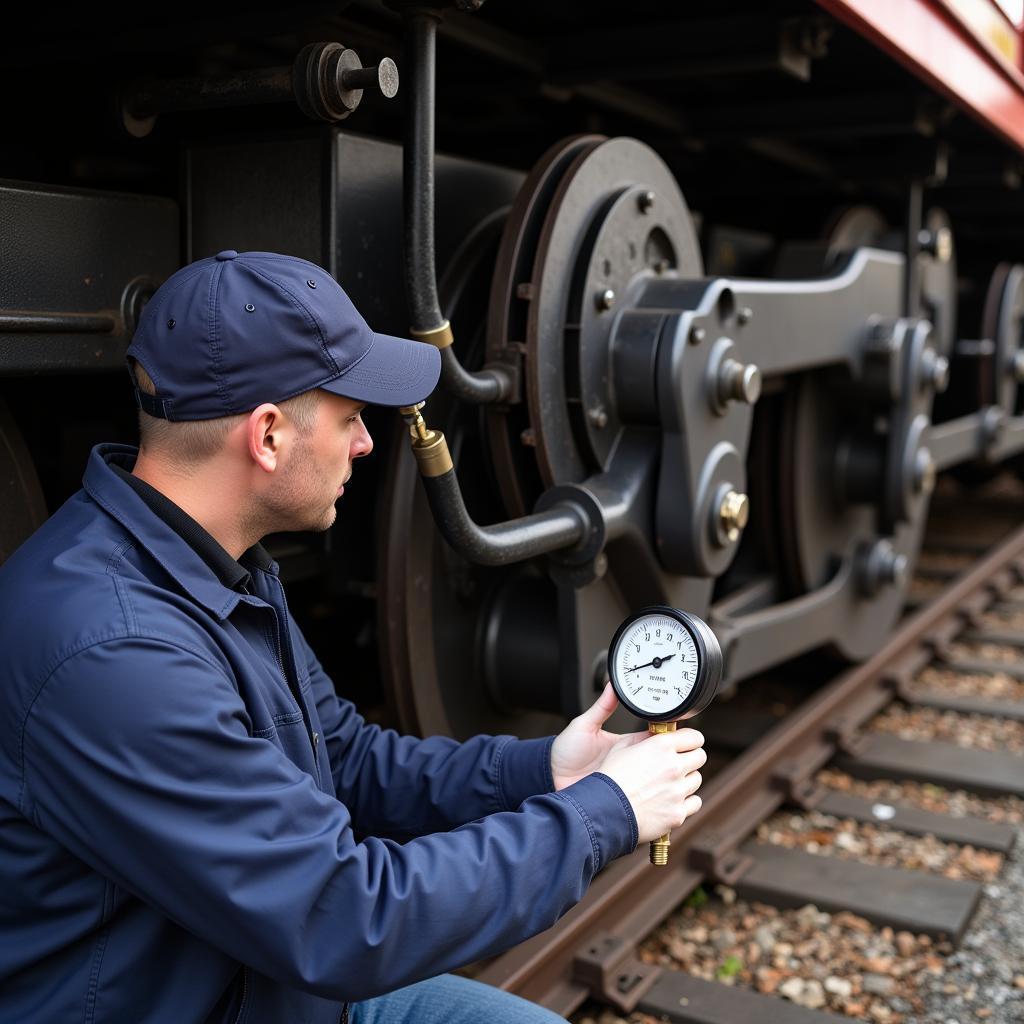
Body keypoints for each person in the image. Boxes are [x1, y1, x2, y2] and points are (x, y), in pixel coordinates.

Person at [0, 250, 706, 1023]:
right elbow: (342, 919)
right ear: (267, 436)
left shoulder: (209, 565)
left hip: (265, 987)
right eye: (348, 417)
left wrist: (545, 772)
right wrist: (605, 814)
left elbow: (345, 760)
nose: (367, 444)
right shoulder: (113, 651)